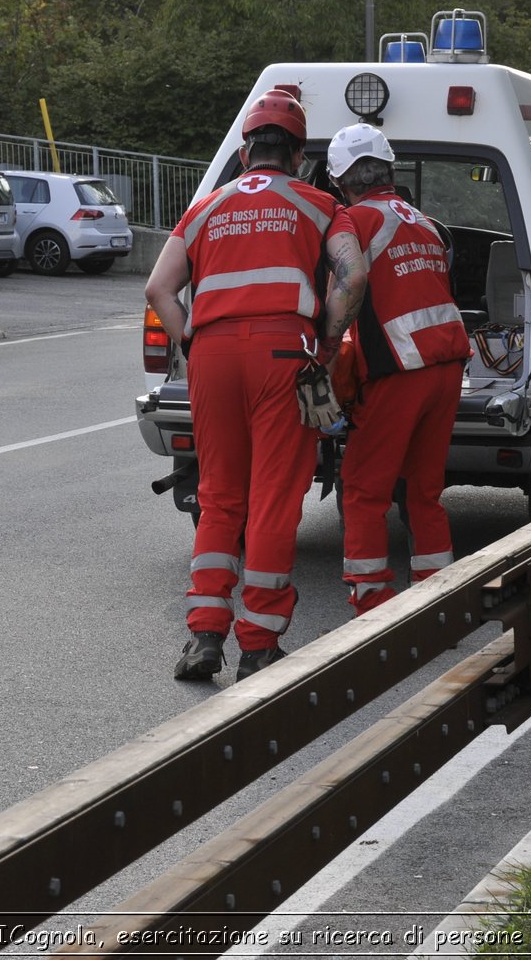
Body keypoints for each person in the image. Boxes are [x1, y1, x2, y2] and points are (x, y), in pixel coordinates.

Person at [145, 89, 367, 682]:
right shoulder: (320, 204)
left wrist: (192, 342)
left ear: (246, 152)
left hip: (212, 355)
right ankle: (260, 645)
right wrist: (325, 342)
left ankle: (203, 638)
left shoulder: (204, 210)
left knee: (220, 496)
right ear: (297, 155)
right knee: (273, 496)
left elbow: (158, 290)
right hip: (282, 355)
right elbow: (353, 272)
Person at [326, 124, 471, 614]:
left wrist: (326, 356)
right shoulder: (424, 221)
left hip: (399, 367)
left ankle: (373, 607)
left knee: (364, 489)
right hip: (447, 363)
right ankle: (439, 599)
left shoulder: (350, 222)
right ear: (389, 170)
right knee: (424, 491)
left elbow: (346, 293)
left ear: (340, 181)